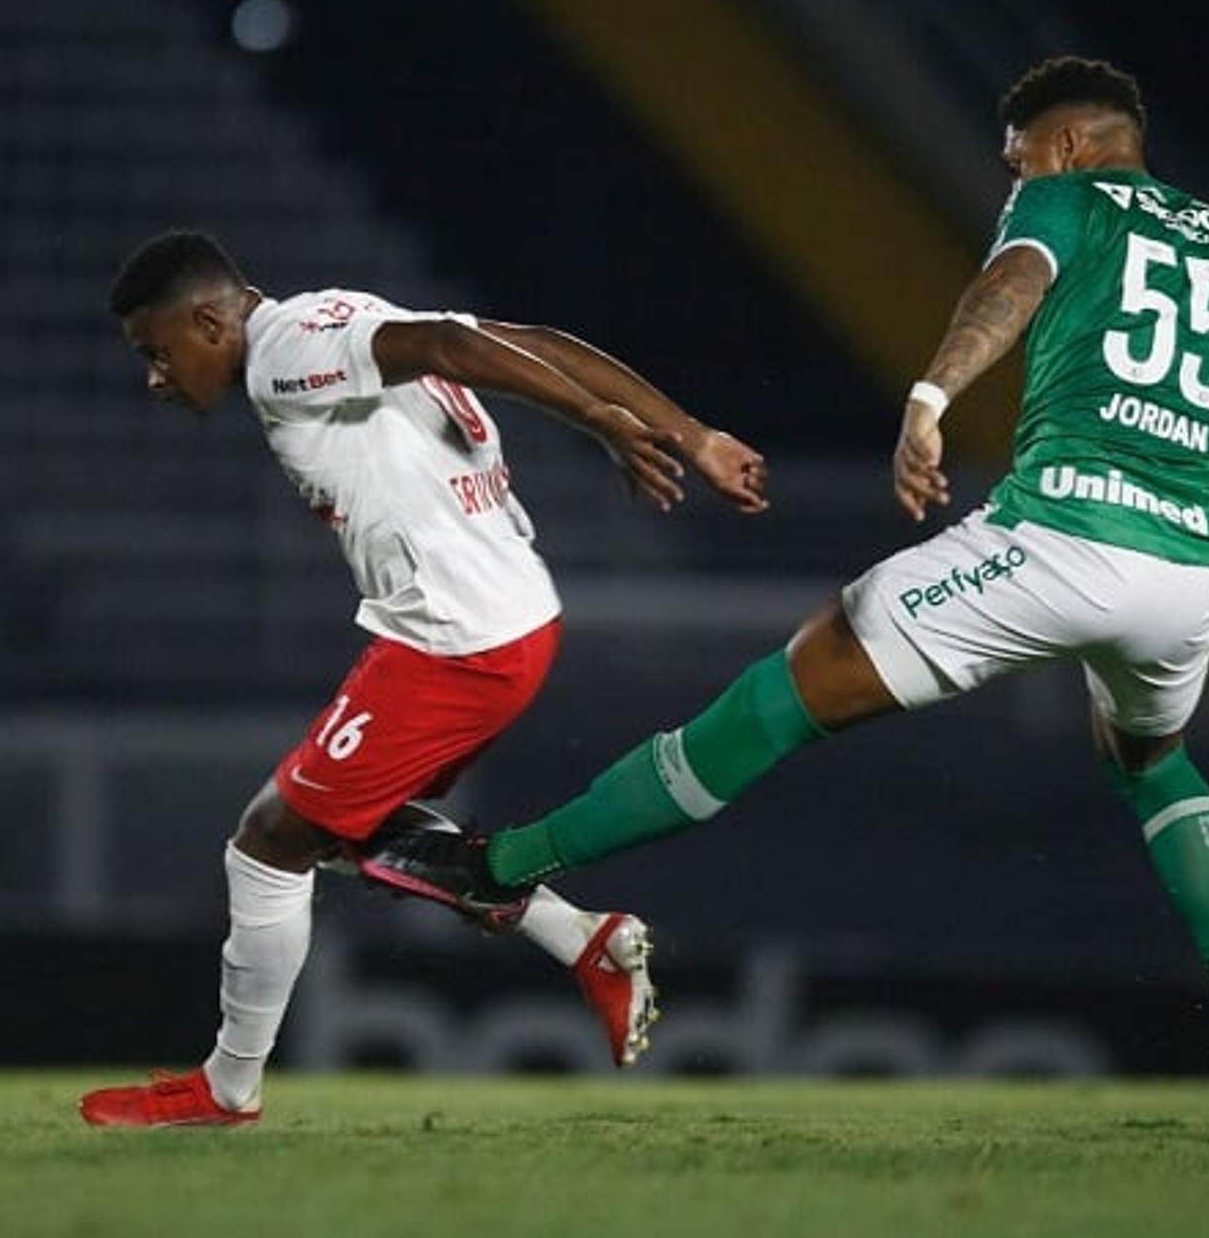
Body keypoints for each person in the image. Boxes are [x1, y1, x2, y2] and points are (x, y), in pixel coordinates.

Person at [360, 56, 1209, 1127]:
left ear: (1062, 143)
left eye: (1015, 159)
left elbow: (1007, 287)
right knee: (1152, 760)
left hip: (1065, 536)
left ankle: (500, 869)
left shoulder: (1066, 199)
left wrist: (929, 396)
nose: (1011, 178)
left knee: (788, 689)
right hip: (1194, 578)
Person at [78, 232, 769, 1127]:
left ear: (210, 322)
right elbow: (533, 339)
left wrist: (608, 425)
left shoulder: (284, 353)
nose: (156, 378)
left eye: (157, 352)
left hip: (457, 640)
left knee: (266, 845)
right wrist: (693, 432)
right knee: (342, 823)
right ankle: (583, 941)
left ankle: (227, 1088)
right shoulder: (340, 312)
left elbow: (455, 347)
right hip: (497, 618)